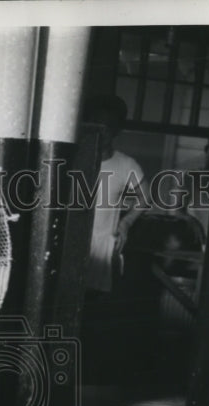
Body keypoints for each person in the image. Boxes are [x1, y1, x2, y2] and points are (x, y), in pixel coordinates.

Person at [81, 95, 149, 384]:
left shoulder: (126, 164)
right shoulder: (77, 159)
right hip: (71, 247)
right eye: (97, 124)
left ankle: (85, 375)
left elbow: (145, 199)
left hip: (101, 245)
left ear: (117, 131)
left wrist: (126, 223)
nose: (102, 130)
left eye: (108, 126)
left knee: (90, 316)